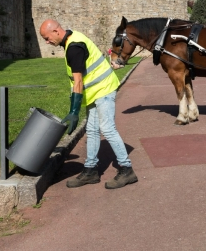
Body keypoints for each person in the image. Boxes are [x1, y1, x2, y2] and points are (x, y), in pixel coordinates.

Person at [39, 19, 137, 190]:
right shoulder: (72, 39)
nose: (47, 42)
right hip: (95, 92)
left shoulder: (74, 47)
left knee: (107, 128)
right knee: (91, 130)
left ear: (56, 31)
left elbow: (77, 81)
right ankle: (91, 170)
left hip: (103, 90)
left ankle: (126, 169)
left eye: (47, 38)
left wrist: (74, 111)